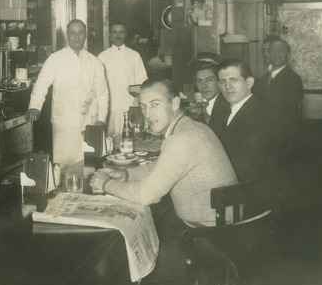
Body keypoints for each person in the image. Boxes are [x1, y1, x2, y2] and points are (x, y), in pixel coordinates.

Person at [90, 78, 237, 227]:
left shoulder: (181, 140)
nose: (147, 114)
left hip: (209, 231)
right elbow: (162, 166)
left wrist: (106, 184)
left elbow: (145, 195)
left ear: (174, 104)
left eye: (155, 104)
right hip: (223, 220)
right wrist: (127, 175)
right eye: (143, 106)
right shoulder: (194, 126)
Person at [27, 19, 108, 174]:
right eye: (72, 33)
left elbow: (103, 94)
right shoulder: (55, 59)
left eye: (80, 33)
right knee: (64, 170)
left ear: (85, 35)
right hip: (63, 123)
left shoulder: (95, 62)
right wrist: (34, 106)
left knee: (89, 168)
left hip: (89, 123)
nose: (76, 37)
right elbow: (41, 84)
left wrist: (101, 119)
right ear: (67, 35)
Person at [217, 58, 282, 183]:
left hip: (249, 190)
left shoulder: (262, 114)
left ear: (249, 83)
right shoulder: (224, 111)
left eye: (233, 80)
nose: (227, 87)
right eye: (222, 81)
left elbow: (248, 167)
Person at [97, 23, 148, 137]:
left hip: (129, 105)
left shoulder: (134, 55)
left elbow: (142, 80)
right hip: (110, 106)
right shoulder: (102, 57)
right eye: (115, 32)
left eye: (121, 32)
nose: (118, 35)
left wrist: (137, 93)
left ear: (125, 34)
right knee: (110, 140)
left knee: (129, 138)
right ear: (110, 35)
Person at [253, 38, 304, 118]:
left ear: (288, 55)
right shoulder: (266, 76)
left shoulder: (294, 79)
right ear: (269, 53)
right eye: (273, 50)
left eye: (281, 50)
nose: (277, 53)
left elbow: (284, 109)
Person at [193, 60, 230, 137]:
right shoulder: (212, 104)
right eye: (199, 81)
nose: (203, 86)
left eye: (209, 80)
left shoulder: (226, 106)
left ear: (219, 82)